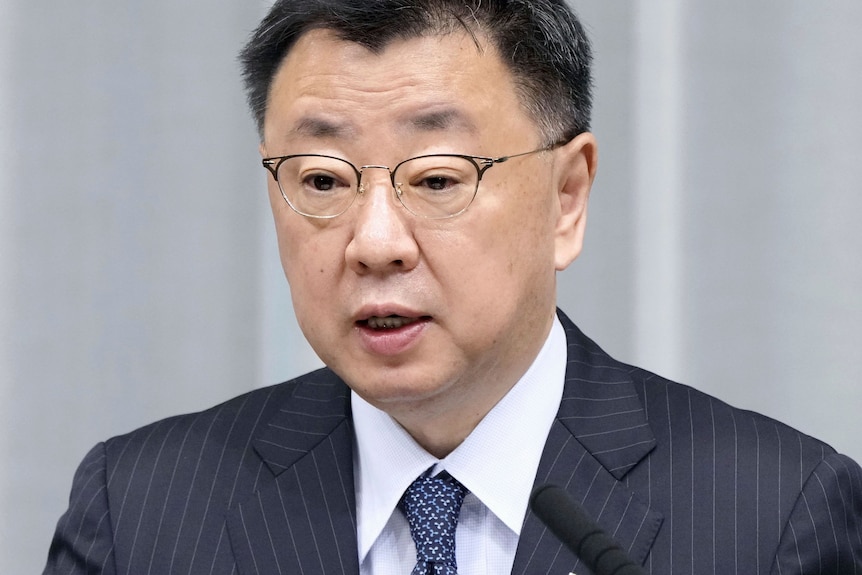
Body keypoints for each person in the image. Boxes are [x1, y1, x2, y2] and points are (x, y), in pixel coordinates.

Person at [44, 1, 862, 573]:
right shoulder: (142, 511)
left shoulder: (772, 515)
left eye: (437, 179)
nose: (374, 242)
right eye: (322, 181)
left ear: (567, 195)